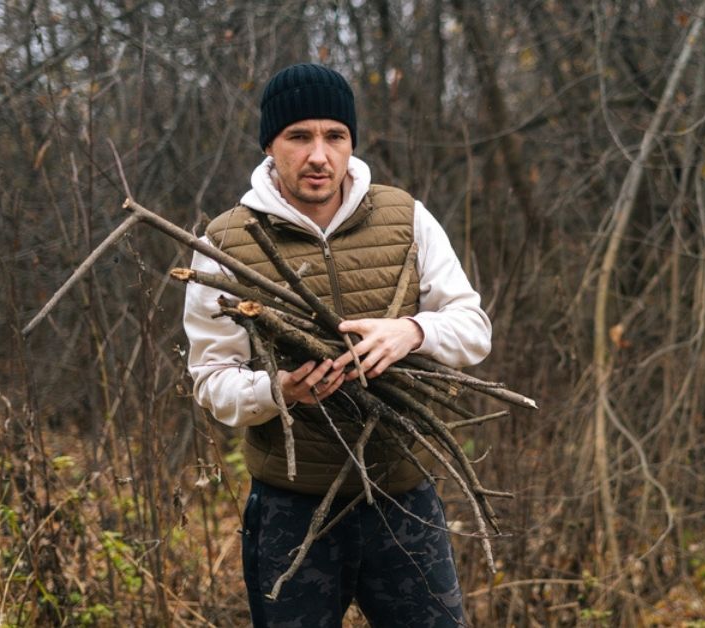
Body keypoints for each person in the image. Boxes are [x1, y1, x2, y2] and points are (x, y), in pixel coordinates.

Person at [181, 62, 490, 627]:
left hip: (403, 500)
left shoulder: (407, 217)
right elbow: (210, 378)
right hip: (290, 508)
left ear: (351, 142)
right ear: (271, 145)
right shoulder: (225, 243)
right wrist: (280, 391)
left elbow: (473, 328)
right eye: (299, 137)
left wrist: (413, 331)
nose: (318, 155)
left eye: (334, 136)